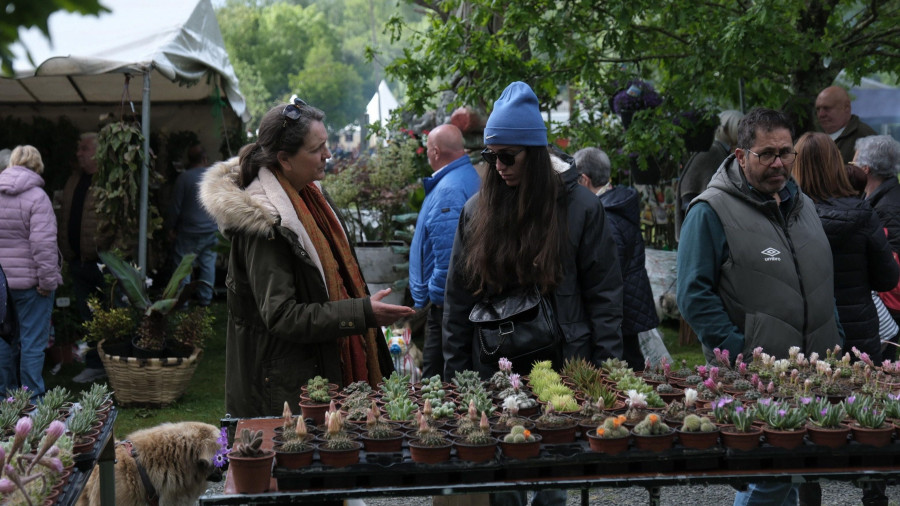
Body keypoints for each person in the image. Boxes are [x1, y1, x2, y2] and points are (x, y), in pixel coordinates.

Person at [442, 81, 623, 506]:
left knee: (553, 483)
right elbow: (457, 300)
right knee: (502, 484)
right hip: (493, 366)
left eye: (509, 156)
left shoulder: (581, 208)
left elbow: (605, 298)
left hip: (561, 365)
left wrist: (603, 374)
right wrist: (457, 378)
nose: (498, 166)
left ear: (536, 154)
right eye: (491, 156)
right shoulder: (477, 210)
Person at [199, 97, 415, 418]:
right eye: (317, 149)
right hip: (287, 393)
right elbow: (282, 316)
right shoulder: (266, 222)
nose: (328, 154)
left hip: (308, 377)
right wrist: (360, 313)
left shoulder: (310, 196)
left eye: (326, 144)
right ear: (284, 159)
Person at [677, 108, 843, 506]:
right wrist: (739, 353)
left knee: (789, 477)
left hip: (811, 374)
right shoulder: (710, 211)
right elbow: (693, 296)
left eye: (786, 152)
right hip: (754, 375)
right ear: (740, 155)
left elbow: (821, 283)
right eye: (766, 154)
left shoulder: (802, 207)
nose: (778, 163)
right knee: (767, 481)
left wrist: (836, 344)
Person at [792, 132, 897, 362]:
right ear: (837, 164)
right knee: (862, 396)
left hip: (805, 329)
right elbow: (888, 278)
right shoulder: (862, 213)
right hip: (858, 331)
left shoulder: (786, 216)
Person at [574, 147, 658, 371]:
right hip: (627, 309)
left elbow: (607, 275)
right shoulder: (615, 204)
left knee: (627, 370)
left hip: (620, 314)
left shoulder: (606, 216)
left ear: (583, 179)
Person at [409, 124, 480, 379]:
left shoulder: (449, 189)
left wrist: (436, 300)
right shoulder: (467, 175)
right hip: (458, 303)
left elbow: (449, 257)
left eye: (428, 150)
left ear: (436, 152)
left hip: (446, 308)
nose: (427, 155)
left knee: (435, 382)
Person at [0, 145, 62, 397]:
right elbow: (43, 245)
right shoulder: (37, 197)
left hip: (1, 284)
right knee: (32, 344)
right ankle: (32, 400)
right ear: (38, 166)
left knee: (4, 341)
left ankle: (5, 396)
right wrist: (48, 282)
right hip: (30, 285)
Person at [59, 133, 112, 384]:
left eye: (84, 149)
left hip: (102, 262)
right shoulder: (74, 180)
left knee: (109, 317)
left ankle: (112, 365)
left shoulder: (108, 182)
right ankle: (93, 364)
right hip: (78, 261)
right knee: (87, 317)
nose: (79, 153)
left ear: (98, 152)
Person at [857, 135, 900, 350]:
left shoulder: (887, 206)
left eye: (854, 162)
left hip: (891, 304)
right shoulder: (883, 197)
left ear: (865, 168)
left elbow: (891, 258)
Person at [166, 143, 218, 307]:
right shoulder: (214, 177)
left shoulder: (183, 178)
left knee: (183, 267)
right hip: (210, 230)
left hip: (188, 231)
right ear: (204, 158)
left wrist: (170, 228)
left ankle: (183, 301)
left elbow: (175, 206)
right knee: (208, 265)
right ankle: (205, 300)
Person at [815, 86, 876, 163]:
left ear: (846, 107)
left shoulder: (867, 138)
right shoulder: (813, 138)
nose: (821, 114)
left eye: (827, 108)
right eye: (818, 109)